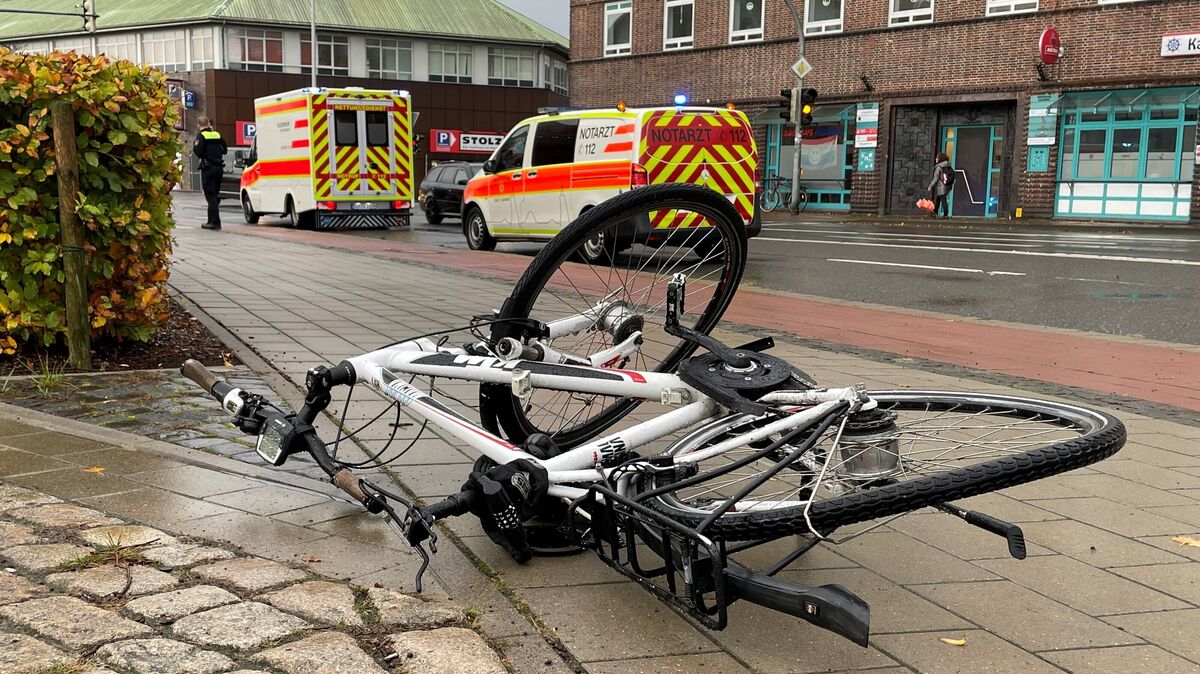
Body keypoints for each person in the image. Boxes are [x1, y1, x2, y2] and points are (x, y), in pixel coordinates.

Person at [193, 116, 227, 230]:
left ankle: (215, 222)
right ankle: (210, 220)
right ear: (208, 123)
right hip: (219, 168)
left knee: (210, 196)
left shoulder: (201, 136)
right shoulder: (217, 134)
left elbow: (198, 151)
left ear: (198, 125)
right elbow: (225, 150)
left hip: (208, 168)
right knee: (215, 195)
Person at [927, 152, 955, 219]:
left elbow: (935, 179)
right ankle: (934, 212)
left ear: (940, 159)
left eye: (937, 158)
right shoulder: (948, 166)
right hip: (947, 186)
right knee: (938, 199)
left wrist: (930, 186)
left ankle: (945, 214)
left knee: (943, 200)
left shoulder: (938, 168)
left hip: (941, 187)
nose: (936, 159)